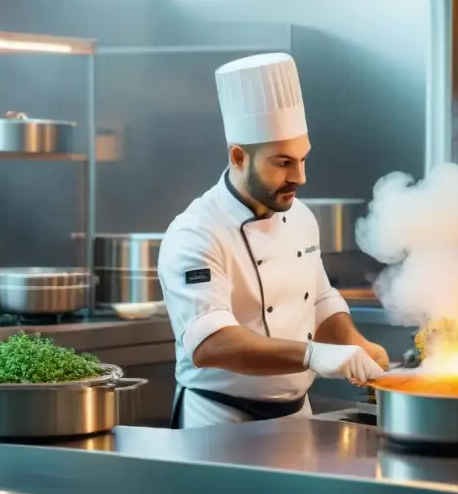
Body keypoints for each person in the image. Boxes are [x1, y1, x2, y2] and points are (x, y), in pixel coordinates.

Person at [158, 52, 389, 428]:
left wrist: (353, 343)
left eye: (303, 159)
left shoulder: (300, 216)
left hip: (298, 415)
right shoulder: (195, 234)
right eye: (283, 162)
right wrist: (314, 355)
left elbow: (319, 299)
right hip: (219, 422)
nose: (300, 177)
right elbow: (211, 345)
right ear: (238, 157)